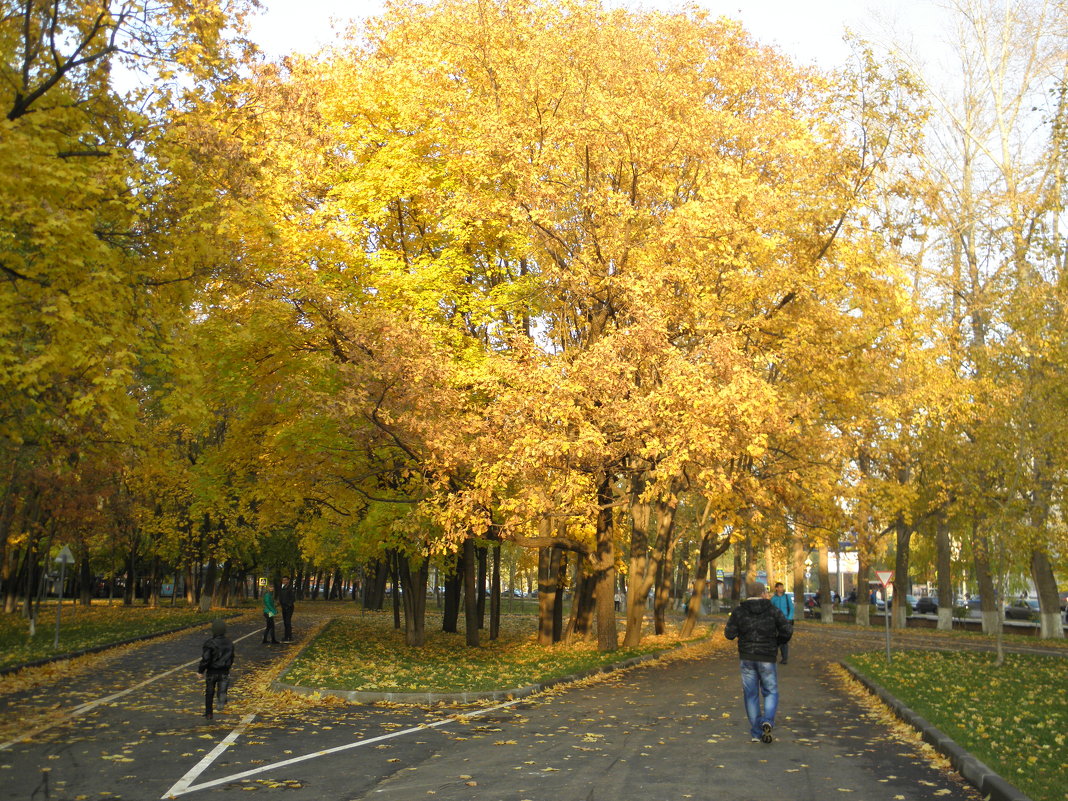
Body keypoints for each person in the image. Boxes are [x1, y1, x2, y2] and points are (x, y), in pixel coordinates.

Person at [724, 581, 793, 744]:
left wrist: (740, 632)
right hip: (767, 657)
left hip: (747, 657)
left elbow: (729, 634)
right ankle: (767, 720)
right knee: (770, 691)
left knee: (751, 694)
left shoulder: (739, 611)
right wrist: (776, 642)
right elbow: (787, 630)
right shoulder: (772, 610)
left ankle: (756, 733)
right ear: (763, 593)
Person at [198, 618, 234, 720]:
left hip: (212, 671)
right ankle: (221, 698)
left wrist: (201, 671)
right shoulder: (229, 643)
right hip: (224, 671)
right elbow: (231, 657)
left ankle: (209, 713)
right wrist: (228, 666)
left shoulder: (210, 643)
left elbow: (206, 658)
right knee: (222, 688)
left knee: (209, 692)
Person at [769, 582, 793, 664]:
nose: (781, 589)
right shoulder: (773, 599)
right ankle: (773, 656)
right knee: (774, 639)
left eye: (782, 587)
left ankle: (784, 658)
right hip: (775, 621)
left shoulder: (787, 597)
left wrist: (789, 618)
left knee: (784, 640)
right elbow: (770, 609)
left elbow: (791, 608)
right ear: (776, 588)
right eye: (780, 587)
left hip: (785, 621)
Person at [279, 576, 296, 642]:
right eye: (283, 580)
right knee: (285, 622)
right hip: (283, 607)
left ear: (288, 580)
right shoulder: (282, 588)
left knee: (287, 622)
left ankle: (290, 637)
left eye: (285, 580)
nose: (284, 581)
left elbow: (293, 599)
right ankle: (286, 636)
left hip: (289, 608)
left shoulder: (291, 588)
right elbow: (281, 597)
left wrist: (288, 605)